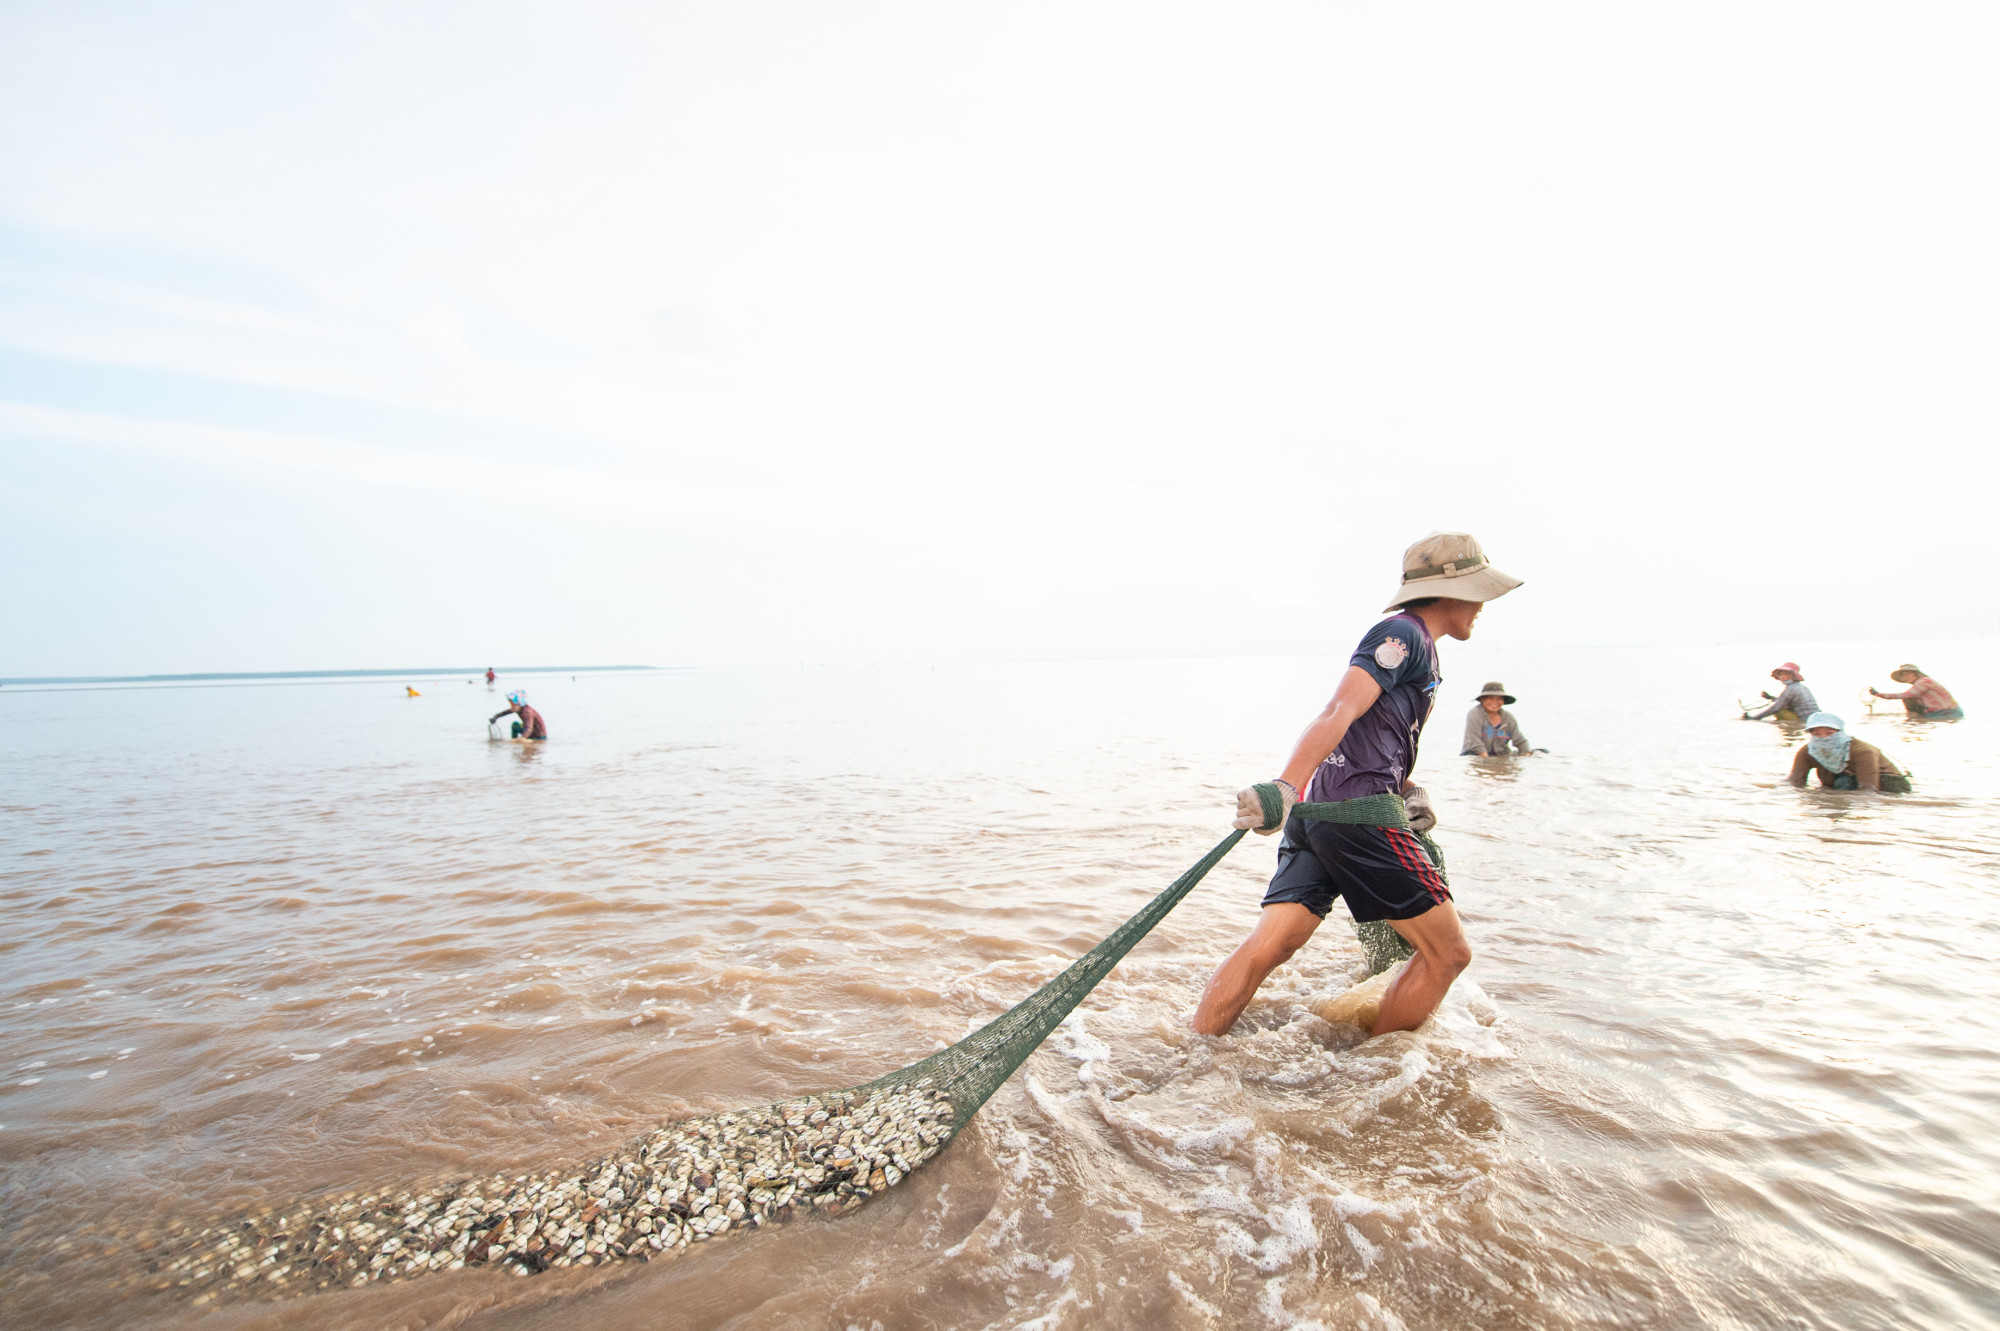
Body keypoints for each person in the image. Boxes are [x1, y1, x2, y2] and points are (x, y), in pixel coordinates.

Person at [1193, 531, 1522, 1040]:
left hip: (1322, 817)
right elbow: (1339, 710)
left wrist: (1409, 789)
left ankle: (1193, 1052)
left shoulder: (1420, 649)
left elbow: (1372, 738)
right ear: (1449, 591)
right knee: (1448, 954)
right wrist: (1284, 785)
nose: (1482, 607)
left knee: (1269, 948)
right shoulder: (1401, 635)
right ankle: (1377, 1073)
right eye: (1478, 593)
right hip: (1358, 818)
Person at [1788, 712, 1910, 793]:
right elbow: (1795, 781)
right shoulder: (1809, 751)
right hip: (1844, 781)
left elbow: (1868, 790)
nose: (1823, 738)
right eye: (1817, 734)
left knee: (1843, 783)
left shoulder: (1862, 751)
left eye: (1829, 733)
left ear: (1840, 732)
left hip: (1889, 783)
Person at [1461, 681, 1534, 755]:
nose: (1494, 702)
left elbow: (1519, 740)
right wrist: (1487, 762)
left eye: (1499, 698)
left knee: (1540, 752)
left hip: (1501, 754)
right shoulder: (1475, 714)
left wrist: (1527, 755)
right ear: (1483, 699)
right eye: (1491, 698)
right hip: (1475, 754)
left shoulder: (1508, 717)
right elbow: (1475, 742)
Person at [1870, 664, 1963, 720]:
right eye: (1903, 676)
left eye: (1907, 674)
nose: (1905, 677)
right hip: (1938, 712)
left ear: (1915, 673)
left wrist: (1878, 694)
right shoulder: (1920, 684)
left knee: (1907, 699)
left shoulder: (1924, 681)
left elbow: (1906, 695)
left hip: (1947, 712)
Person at [1744, 663, 1818, 723]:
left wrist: (1754, 718)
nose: (1781, 677)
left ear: (1791, 675)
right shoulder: (1801, 687)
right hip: (1813, 717)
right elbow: (1783, 700)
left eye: (1784, 674)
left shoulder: (1791, 689)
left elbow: (1776, 707)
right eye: (1780, 674)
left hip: (1805, 719)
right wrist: (1770, 697)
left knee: (1780, 711)